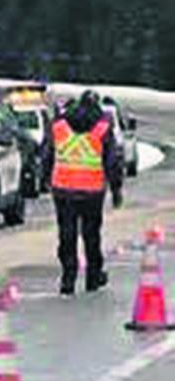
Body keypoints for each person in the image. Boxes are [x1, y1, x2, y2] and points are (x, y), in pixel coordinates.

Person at [42, 89, 124, 296]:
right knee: (91, 234)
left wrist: (45, 178)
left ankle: (68, 277)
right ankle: (93, 277)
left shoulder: (59, 125)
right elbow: (112, 161)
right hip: (92, 190)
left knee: (67, 234)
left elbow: (47, 154)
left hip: (63, 189)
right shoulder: (103, 126)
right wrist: (116, 189)